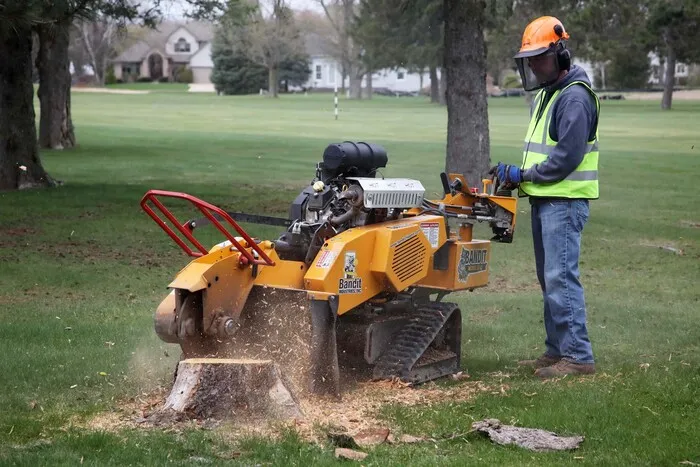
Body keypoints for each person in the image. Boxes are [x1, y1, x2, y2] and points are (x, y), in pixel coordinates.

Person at [490, 16, 600, 379]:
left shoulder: (575, 98)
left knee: (560, 278)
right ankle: (556, 352)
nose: (534, 65)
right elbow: (543, 152)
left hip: (564, 202)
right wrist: (520, 179)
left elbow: (565, 159)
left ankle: (577, 356)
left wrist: (522, 175)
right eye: (530, 59)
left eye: (539, 58)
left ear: (561, 55)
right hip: (546, 199)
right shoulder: (550, 93)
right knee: (548, 278)